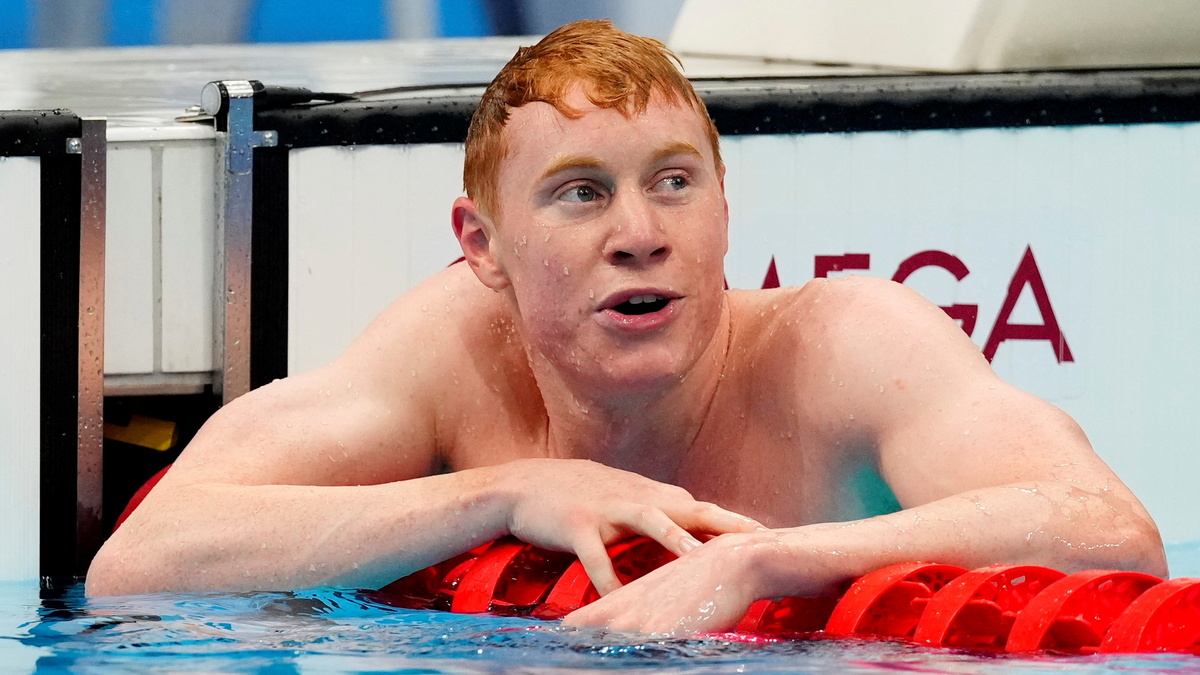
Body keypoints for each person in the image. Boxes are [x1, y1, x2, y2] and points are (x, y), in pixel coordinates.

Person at [86, 20, 1166, 635]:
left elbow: (1112, 529)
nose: (641, 235)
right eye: (582, 193)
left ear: (726, 209)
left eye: (674, 183)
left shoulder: (845, 346)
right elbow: (140, 560)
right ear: (483, 244)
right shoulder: (456, 350)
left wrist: (769, 562)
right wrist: (506, 491)